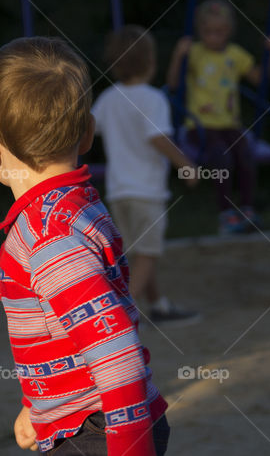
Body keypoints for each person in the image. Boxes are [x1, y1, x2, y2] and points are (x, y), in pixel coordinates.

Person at [0, 36, 170, 456]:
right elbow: (63, 328)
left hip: (102, 432)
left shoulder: (50, 239)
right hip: (91, 421)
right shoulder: (71, 208)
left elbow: (119, 359)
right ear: (87, 135)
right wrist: (40, 407)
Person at [92, 25, 201, 327]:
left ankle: (159, 305)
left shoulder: (108, 98)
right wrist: (186, 165)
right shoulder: (153, 99)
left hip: (118, 193)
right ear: (151, 61)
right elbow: (158, 138)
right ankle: (115, 319)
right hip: (146, 192)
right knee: (148, 255)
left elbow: (91, 129)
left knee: (136, 253)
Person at [167, 0, 270, 234]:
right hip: (199, 126)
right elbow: (173, 84)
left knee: (245, 153)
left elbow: (260, 79)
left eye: (220, 31)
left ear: (228, 31)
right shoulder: (194, 53)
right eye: (208, 32)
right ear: (200, 31)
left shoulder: (235, 55)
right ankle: (225, 214)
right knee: (222, 157)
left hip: (229, 124)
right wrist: (178, 55)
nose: (214, 36)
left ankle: (247, 208)